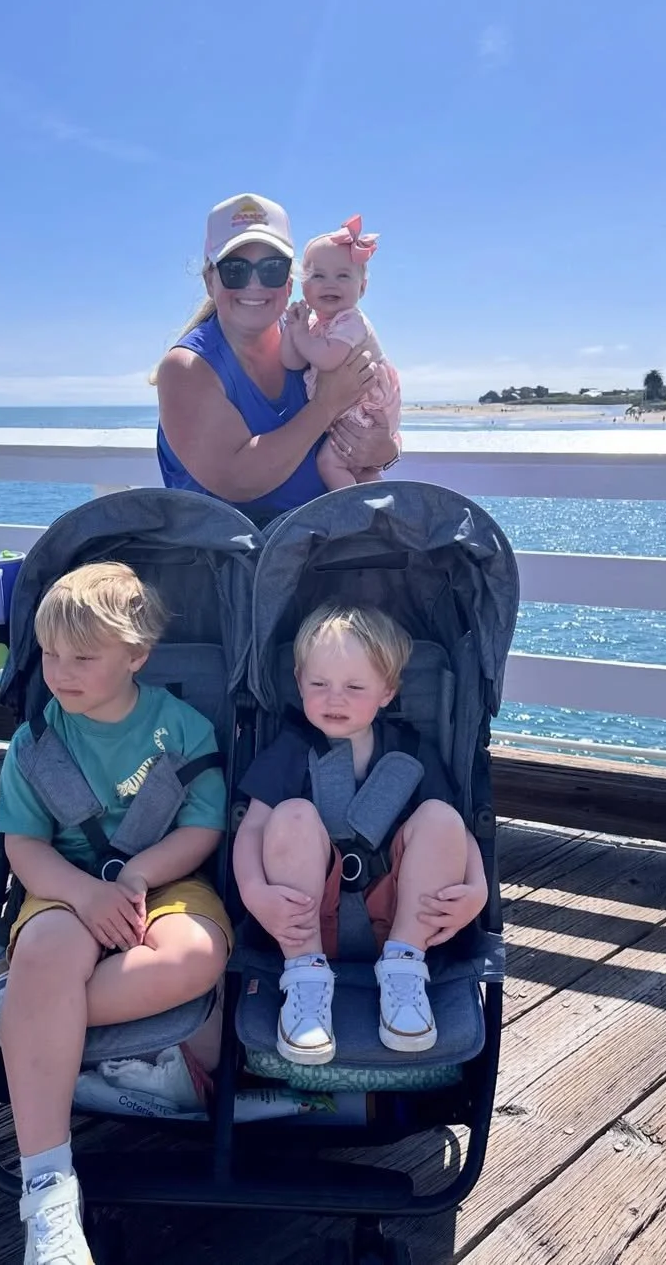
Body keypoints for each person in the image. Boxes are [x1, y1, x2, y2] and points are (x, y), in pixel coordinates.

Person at [0, 563, 232, 1265]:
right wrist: (84, 894)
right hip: (64, 884)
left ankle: (20, 1008)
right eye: (50, 654)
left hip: (165, 878)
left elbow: (202, 829)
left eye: (83, 657)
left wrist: (136, 876)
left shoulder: (183, 728)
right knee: (49, 950)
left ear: (136, 655)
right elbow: (24, 846)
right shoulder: (37, 742)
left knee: (197, 956)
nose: (60, 672)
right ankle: (48, 1188)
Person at [232, 604, 488, 1066]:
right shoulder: (291, 750)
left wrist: (478, 889)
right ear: (298, 682)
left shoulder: (411, 752)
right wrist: (254, 893)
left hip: (401, 922)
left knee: (440, 817)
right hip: (304, 922)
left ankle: (405, 971)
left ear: (387, 691)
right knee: (290, 815)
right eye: (319, 685)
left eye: (354, 688)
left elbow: (459, 835)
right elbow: (250, 829)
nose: (335, 699)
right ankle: (306, 982)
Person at [156, 193, 400, 526]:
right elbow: (239, 480)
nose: (254, 284)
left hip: (326, 544)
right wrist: (326, 404)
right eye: (236, 270)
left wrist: (384, 451)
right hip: (238, 555)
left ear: (288, 283)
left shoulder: (311, 337)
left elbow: (367, 410)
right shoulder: (187, 369)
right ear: (210, 281)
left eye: (271, 269)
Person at [281, 215, 402, 491]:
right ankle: (379, 507)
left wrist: (301, 336)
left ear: (362, 287)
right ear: (303, 286)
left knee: (330, 463)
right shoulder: (315, 325)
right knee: (362, 471)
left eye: (343, 275)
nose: (330, 283)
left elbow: (327, 359)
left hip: (367, 407)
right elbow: (292, 362)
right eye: (318, 275)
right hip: (348, 409)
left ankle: (352, 510)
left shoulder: (351, 321)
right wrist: (293, 328)